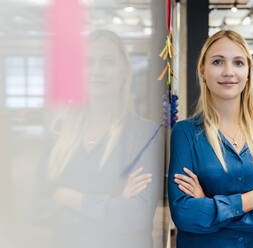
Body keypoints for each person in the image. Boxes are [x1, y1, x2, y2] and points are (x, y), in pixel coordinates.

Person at [31, 30, 162, 248]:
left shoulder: (144, 133)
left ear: (124, 72)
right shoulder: (58, 132)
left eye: (108, 62)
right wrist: (113, 201)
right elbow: (37, 209)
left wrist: (70, 198)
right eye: (88, 62)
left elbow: (136, 216)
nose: (96, 71)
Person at [168, 30, 253, 248]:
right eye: (217, 62)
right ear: (202, 71)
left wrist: (209, 208)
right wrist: (251, 200)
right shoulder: (185, 133)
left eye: (238, 63)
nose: (229, 72)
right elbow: (185, 215)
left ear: (248, 72)